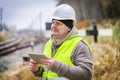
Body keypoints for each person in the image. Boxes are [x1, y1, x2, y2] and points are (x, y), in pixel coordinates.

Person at [29, 4, 93, 80]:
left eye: (58, 23)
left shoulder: (79, 46)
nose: (53, 26)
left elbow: (86, 74)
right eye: (53, 22)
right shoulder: (49, 44)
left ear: (69, 27)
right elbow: (48, 72)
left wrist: (56, 66)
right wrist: (37, 70)